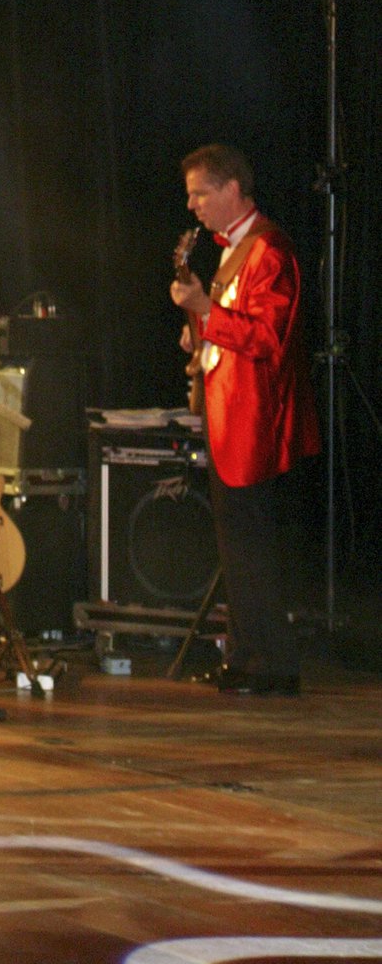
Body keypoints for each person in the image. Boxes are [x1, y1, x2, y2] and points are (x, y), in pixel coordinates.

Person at [171, 143, 320, 696]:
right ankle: (247, 655)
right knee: (236, 544)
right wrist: (200, 329)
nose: (193, 205)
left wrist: (206, 314)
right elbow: (233, 328)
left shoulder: (269, 251)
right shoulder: (237, 250)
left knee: (251, 544)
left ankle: (271, 662)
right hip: (229, 414)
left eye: (200, 194)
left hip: (255, 420)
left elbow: (267, 338)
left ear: (232, 188)